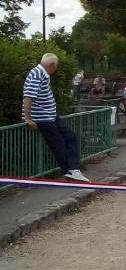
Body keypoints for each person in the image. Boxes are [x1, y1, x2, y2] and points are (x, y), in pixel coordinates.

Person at [22, 53, 90, 182]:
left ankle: (73, 170)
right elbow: (28, 96)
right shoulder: (37, 74)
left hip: (49, 115)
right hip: (43, 116)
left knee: (70, 136)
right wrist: (28, 118)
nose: (56, 69)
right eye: (56, 66)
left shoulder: (41, 73)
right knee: (58, 143)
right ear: (51, 65)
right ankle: (70, 171)